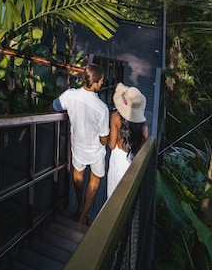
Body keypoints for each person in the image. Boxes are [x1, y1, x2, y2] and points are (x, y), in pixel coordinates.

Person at [53, 63, 110, 224]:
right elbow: (103, 138)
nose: (103, 83)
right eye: (101, 80)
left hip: (77, 145)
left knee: (78, 174)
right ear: (95, 83)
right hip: (95, 150)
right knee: (95, 179)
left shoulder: (70, 95)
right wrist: (105, 140)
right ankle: (83, 216)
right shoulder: (102, 109)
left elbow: (55, 106)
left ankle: (79, 204)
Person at [106, 82, 148, 198]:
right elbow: (143, 149)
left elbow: (112, 145)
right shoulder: (143, 128)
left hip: (118, 158)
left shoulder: (115, 117)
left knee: (113, 194)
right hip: (133, 161)